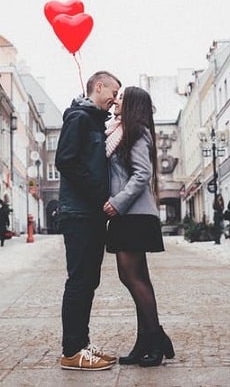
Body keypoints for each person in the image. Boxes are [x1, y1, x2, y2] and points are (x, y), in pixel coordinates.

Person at [103, 86, 175, 368]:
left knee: (132, 278)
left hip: (133, 213)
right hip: (128, 214)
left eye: (120, 98)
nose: (115, 101)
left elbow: (142, 173)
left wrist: (117, 202)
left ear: (132, 104)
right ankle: (147, 340)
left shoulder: (137, 132)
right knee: (137, 278)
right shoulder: (118, 131)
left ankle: (155, 339)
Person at [55, 70, 121, 371]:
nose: (115, 99)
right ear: (98, 86)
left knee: (88, 280)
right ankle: (72, 350)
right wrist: (98, 195)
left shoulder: (94, 121)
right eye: (113, 92)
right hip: (79, 212)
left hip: (90, 213)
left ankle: (82, 344)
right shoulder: (79, 118)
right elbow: (65, 161)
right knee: (80, 280)